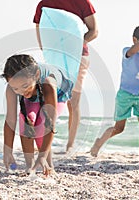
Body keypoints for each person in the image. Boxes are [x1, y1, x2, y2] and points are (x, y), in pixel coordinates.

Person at [33, 0, 98, 153]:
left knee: (73, 101)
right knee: (51, 98)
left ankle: (70, 145)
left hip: (78, 56)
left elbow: (94, 31)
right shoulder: (44, 4)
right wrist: (50, 50)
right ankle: (45, 141)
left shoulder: (82, 2)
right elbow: (41, 30)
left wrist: (71, 46)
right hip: (54, 57)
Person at [90, 25, 139, 164]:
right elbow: (133, 51)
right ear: (135, 40)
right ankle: (99, 142)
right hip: (125, 94)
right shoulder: (127, 51)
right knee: (119, 128)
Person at [1, 54, 74, 175]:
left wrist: (42, 156)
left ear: (36, 75)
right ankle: (29, 165)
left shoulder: (48, 83)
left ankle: (48, 164)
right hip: (34, 92)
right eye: (16, 89)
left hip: (58, 93)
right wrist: (7, 151)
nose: (21, 92)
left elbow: (50, 124)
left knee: (42, 121)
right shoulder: (13, 87)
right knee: (26, 118)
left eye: (24, 86)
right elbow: (10, 119)